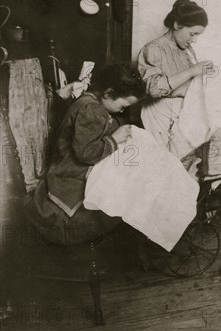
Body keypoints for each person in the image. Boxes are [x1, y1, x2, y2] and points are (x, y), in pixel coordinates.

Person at [24, 63, 146, 245]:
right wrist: (114, 139)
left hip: (80, 161)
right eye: (123, 105)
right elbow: (85, 154)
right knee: (126, 185)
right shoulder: (91, 110)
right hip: (71, 170)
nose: (123, 110)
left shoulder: (93, 102)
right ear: (108, 94)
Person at [137, 0, 215, 156]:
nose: (195, 40)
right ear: (177, 25)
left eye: (198, 35)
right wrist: (193, 71)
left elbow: (190, 85)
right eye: (192, 34)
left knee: (186, 162)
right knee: (161, 161)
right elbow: (154, 89)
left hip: (183, 111)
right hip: (159, 112)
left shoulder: (187, 50)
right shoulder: (153, 48)